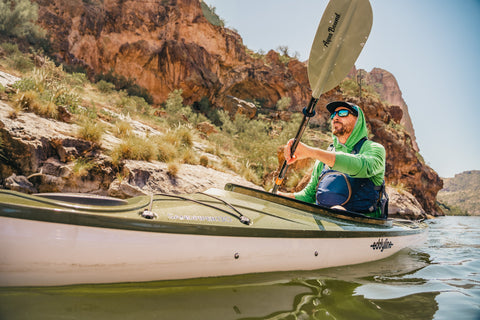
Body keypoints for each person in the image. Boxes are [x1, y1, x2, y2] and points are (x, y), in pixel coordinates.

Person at [278, 101, 387, 218]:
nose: (335, 117)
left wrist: (312, 152)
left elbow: (363, 166)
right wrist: (278, 196)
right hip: (325, 223)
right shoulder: (325, 156)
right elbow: (308, 196)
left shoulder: (374, 149)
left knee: (337, 210)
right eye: (333, 115)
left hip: (365, 227)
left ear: (358, 120)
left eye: (343, 113)